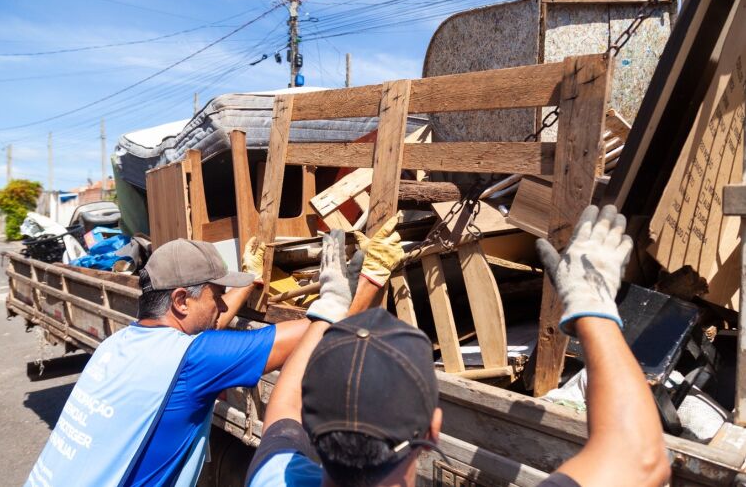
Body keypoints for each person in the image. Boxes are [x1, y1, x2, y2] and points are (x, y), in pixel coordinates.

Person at [246, 206, 672, 487]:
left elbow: (282, 412)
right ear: (433, 428)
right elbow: (642, 456)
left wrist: (330, 308)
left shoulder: (272, 477)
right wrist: (592, 303)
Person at [25, 237, 310, 487]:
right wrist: (347, 297)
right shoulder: (194, 361)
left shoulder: (118, 343)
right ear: (181, 300)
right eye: (217, 296)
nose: (223, 306)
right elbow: (306, 333)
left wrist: (247, 284)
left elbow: (206, 323)